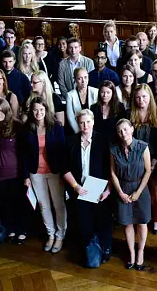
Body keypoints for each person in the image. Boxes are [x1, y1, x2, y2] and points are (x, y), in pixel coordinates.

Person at [63, 109, 112, 264]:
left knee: (102, 221)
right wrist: (76, 187)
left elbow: (111, 168)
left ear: (93, 122)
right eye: (82, 122)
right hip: (80, 189)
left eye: (88, 122)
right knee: (84, 222)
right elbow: (65, 169)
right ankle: (90, 251)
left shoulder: (103, 140)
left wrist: (108, 190)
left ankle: (105, 250)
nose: (85, 126)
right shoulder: (71, 141)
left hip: (100, 189)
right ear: (77, 123)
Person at [24, 96, 68, 253]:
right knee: (43, 206)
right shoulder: (27, 128)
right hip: (36, 173)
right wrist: (26, 176)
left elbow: (62, 151)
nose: (38, 113)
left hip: (54, 171)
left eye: (41, 109)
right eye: (35, 110)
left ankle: (60, 235)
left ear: (46, 110)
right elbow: (23, 154)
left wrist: (64, 174)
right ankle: (50, 234)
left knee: (58, 205)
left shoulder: (56, 126)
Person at [0, 98, 29, 243]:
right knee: (5, 204)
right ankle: (11, 229)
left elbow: (24, 152)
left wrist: (25, 175)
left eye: (1, 111)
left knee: (18, 203)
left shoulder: (17, 126)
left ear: (7, 110)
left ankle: (21, 230)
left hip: (14, 173)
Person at [109, 119, 152, 270]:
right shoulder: (113, 149)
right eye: (120, 131)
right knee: (127, 223)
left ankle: (140, 252)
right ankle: (131, 253)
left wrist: (138, 192)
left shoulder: (143, 146)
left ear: (132, 129)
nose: (123, 133)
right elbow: (112, 173)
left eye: (126, 129)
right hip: (123, 188)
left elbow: (148, 171)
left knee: (142, 222)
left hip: (140, 188)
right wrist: (120, 192)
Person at [129, 84, 157, 234]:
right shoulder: (128, 114)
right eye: (138, 97)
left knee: (155, 193)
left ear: (150, 97)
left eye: (144, 96)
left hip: (155, 160)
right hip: (134, 161)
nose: (141, 100)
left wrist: (154, 162)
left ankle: (155, 220)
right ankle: (137, 220)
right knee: (136, 190)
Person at [90, 80, 126, 146]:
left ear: (113, 93)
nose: (105, 95)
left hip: (115, 142)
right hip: (98, 142)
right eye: (102, 92)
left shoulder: (120, 107)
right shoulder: (94, 107)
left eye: (108, 92)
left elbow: (123, 126)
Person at [66, 67, 98, 134]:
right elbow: (71, 118)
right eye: (79, 78)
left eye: (85, 77)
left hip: (94, 130)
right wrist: (79, 132)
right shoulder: (70, 95)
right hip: (77, 130)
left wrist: (91, 132)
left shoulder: (95, 92)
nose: (83, 81)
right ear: (75, 79)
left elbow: (97, 115)